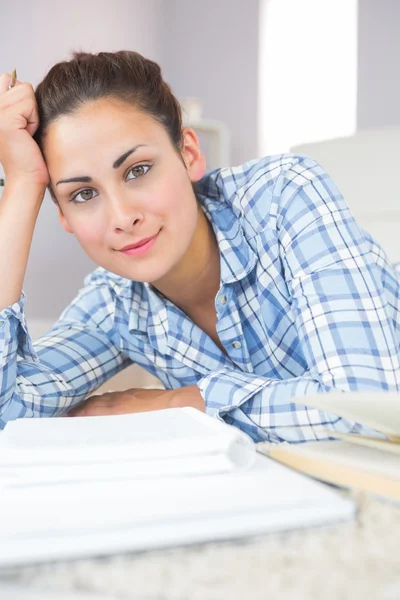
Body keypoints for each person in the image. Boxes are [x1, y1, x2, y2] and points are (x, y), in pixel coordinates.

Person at [0, 50, 399, 443]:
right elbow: (8, 414)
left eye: (138, 170)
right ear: (64, 216)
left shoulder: (283, 196)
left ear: (188, 154)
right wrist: (21, 186)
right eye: (84, 194)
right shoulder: (115, 305)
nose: (121, 217)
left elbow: (368, 407)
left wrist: (182, 402)